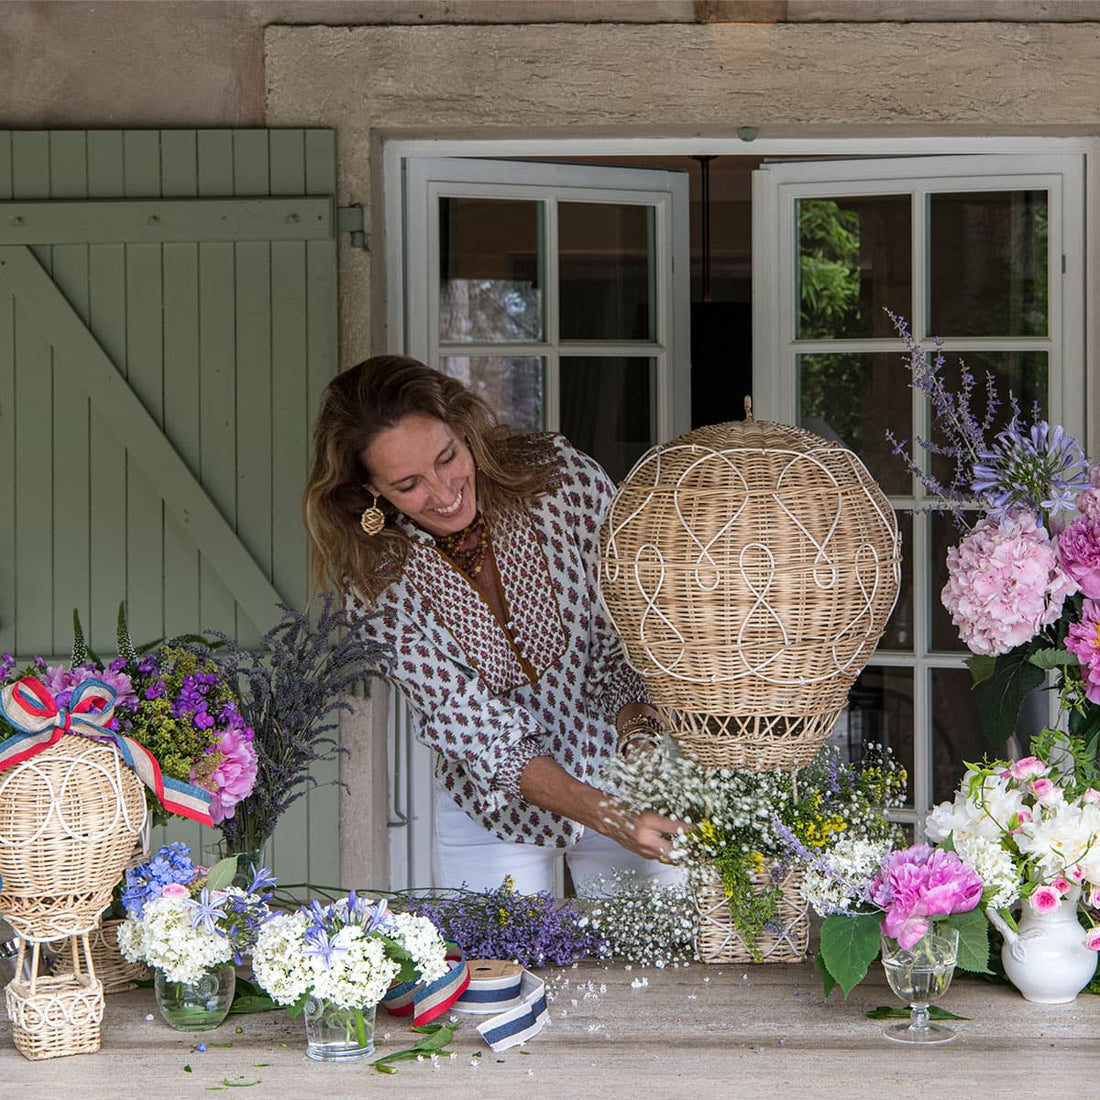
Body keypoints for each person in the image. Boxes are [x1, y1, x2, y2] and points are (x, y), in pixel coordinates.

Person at [302, 355, 684, 895]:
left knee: (660, 958)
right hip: (491, 811)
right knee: (502, 974)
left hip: (623, 772)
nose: (442, 492)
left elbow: (621, 633)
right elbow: (477, 730)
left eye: (447, 457)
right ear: (371, 490)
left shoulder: (559, 478)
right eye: (408, 483)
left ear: (463, 430)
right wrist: (609, 817)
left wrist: (640, 745)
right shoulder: (375, 584)